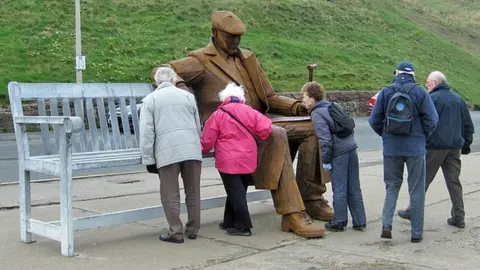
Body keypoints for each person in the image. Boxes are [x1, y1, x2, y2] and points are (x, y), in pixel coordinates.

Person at [150, 10, 327, 238]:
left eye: (239, 37)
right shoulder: (201, 61)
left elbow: (270, 97)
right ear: (215, 33)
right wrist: (181, 84)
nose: (236, 41)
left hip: (256, 121)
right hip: (230, 130)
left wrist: (297, 107)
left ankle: (310, 197)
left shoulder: (247, 58)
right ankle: (293, 212)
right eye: (231, 36)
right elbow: (162, 70)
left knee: (313, 127)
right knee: (276, 135)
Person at [369, 61, 438, 243]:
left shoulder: (386, 91)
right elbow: (432, 120)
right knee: (416, 190)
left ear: (397, 73)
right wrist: (422, 137)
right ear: (413, 75)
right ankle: (416, 234)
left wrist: (386, 135)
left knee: (392, 187)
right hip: (415, 149)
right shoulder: (420, 92)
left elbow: (374, 120)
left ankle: (386, 225)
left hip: (391, 148)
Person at [397, 71, 475, 228]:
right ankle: (459, 216)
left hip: (435, 147)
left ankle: (413, 210)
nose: (426, 85)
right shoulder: (458, 99)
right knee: (453, 182)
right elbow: (468, 125)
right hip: (454, 147)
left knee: (422, 180)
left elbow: (423, 123)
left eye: (427, 82)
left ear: (434, 83)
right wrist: (466, 144)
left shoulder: (431, 99)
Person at [139, 67, 203, 244]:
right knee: (193, 190)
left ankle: (176, 231)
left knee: (170, 193)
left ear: (156, 82)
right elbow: (198, 126)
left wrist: (148, 158)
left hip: (166, 151)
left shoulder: (150, 100)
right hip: (191, 150)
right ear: (174, 80)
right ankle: (193, 228)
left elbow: (146, 133)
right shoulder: (189, 97)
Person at [201, 82, 272, 236]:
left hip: (228, 159)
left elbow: (207, 139)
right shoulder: (250, 111)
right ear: (241, 98)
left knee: (235, 192)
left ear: (224, 98)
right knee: (237, 191)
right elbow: (266, 128)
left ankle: (243, 226)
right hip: (247, 157)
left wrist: (201, 150)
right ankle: (229, 221)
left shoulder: (219, 114)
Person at [302, 81, 367, 232]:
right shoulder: (333, 106)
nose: (302, 99)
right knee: (354, 186)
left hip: (339, 153)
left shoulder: (317, 113)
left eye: (304, 96)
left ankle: (338, 222)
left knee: (339, 187)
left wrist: (326, 160)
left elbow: (325, 140)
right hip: (351, 147)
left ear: (312, 98)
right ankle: (360, 221)